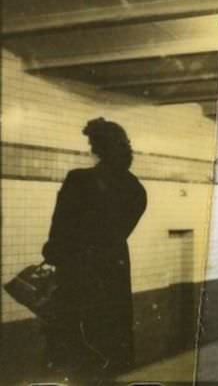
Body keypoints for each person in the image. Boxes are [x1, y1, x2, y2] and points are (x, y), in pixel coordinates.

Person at [42, 118, 146, 380]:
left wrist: (53, 252)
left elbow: (60, 228)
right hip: (114, 268)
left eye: (90, 144)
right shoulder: (135, 188)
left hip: (77, 270)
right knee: (110, 337)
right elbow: (120, 231)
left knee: (75, 340)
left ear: (97, 148)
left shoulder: (78, 180)